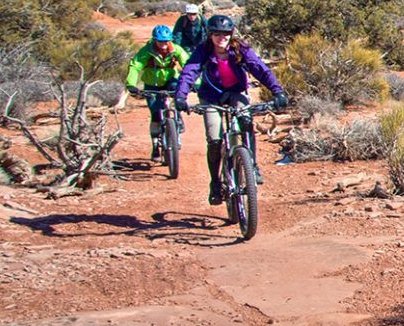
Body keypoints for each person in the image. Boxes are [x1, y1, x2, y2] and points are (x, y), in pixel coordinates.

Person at [175, 15, 287, 205]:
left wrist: (277, 91)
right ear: (210, 34)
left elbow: (259, 68)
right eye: (217, 34)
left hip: (236, 92)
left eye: (225, 33)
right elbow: (189, 72)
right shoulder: (203, 50)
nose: (222, 37)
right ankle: (215, 183)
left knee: (245, 121)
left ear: (231, 34)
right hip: (211, 96)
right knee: (215, 139)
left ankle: (252, 165)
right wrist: (180, 96)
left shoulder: (239, 49)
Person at [123, 25, 189, 157]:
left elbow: (188, 64)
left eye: (166, 41)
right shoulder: (147, 51)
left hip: (170, 79)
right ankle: (155, 145)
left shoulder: (176, 49)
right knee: (156, 114)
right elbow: (135, 66)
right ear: (154, 40)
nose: (163, 44)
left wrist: (196, 83)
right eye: (160, 41)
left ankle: (178, 116)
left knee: (178, 94)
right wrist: (131, 85)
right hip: (151, 84)